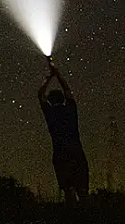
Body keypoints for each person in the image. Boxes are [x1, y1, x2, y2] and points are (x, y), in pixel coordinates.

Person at [38, 61, 89, 208]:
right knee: (83, 190)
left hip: (60, 154)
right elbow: (67, 90)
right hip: (77, 152)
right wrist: (58, 75)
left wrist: (48, 78)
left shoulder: (50, 113)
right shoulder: (71, 110)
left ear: (50, 101)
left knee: (68, 190)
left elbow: (40, 94)